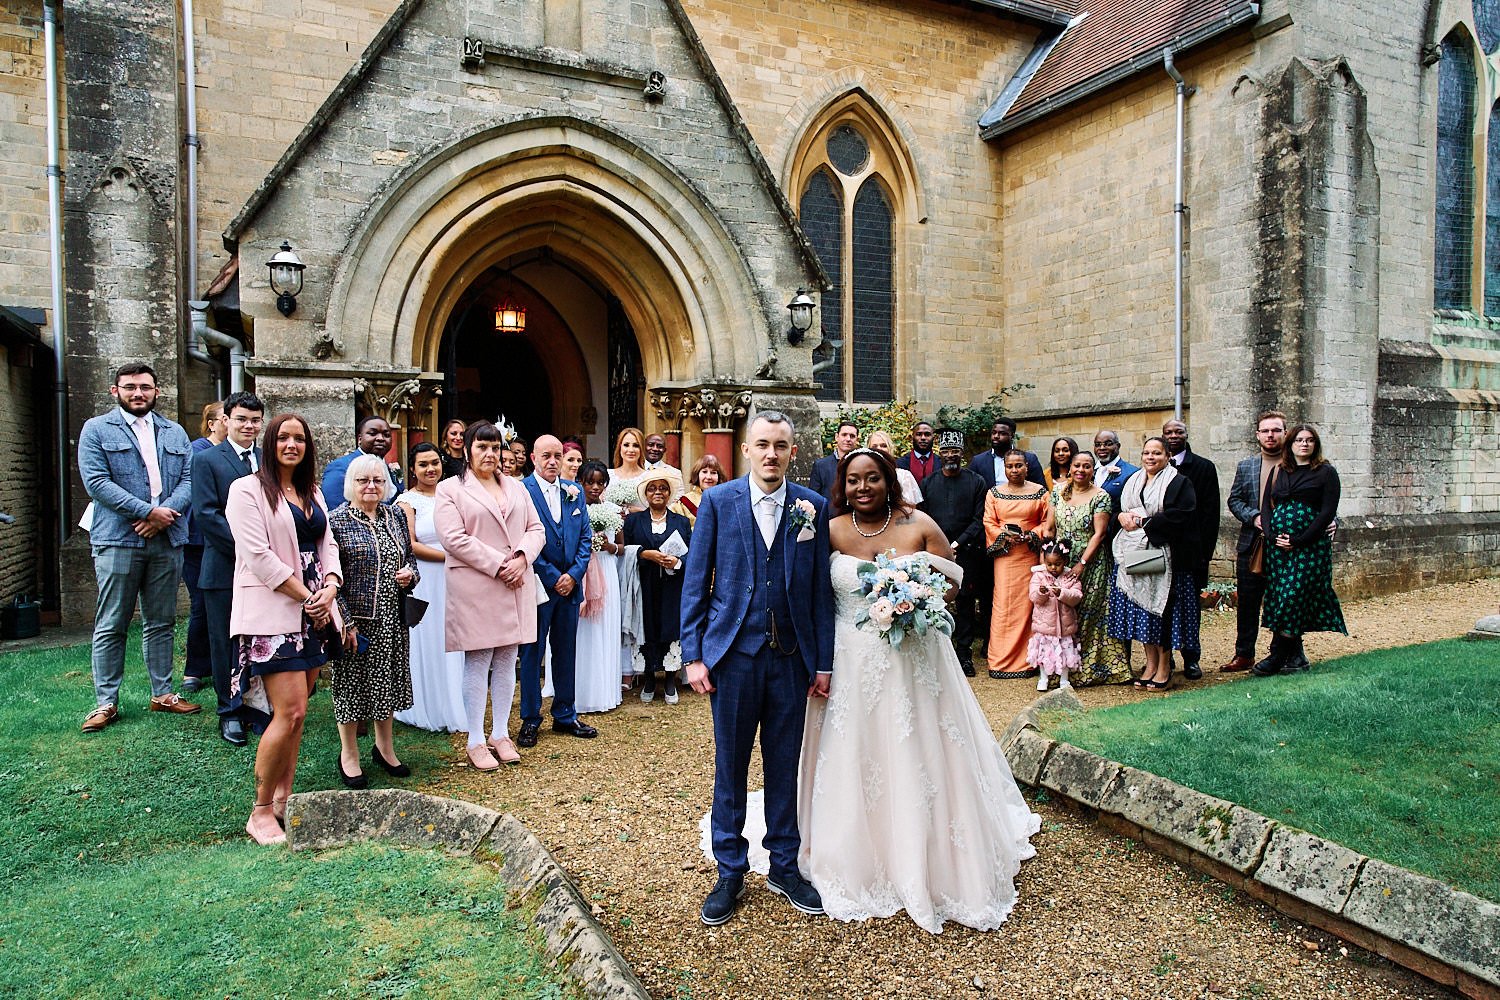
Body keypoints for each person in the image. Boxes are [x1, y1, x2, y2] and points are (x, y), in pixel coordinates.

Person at [796, 447, 1040, 932]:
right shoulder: (830, 530)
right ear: (841, 486)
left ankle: (928, 852)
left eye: (872, 479)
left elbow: (951, 587)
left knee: (919, 748)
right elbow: (811, 594)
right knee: (853, 754)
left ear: (891, 481)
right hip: (849, 659)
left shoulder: (921, 526)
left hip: (913, 659)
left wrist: (915, 599)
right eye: (852, 481)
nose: (862, 489)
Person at [682, 411, 833, 926]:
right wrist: (693, 654)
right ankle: (730, 870)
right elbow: (696, 580)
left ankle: (784, 866)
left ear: (794, 452)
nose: (772, 454)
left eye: (782, 446)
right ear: (747, 450)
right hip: (734, 658)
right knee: (731, 765)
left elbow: (818, 595)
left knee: (784, 765)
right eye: (763, 445)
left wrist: (825, 664)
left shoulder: (811, 507)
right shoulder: (719, 503)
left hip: (791, 661)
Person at [225, 413, 343, 845]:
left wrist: (330, 587)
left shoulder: (312, 491)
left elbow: (327, 544)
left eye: (300, 438)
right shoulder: (247, 490)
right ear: (269, 442)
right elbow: (257, 554)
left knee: (298, 716)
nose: (292, 444)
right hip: (275, 612)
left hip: (314, 613)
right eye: (283, 437)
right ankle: (258, 812)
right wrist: (307, 596)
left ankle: (283, 801)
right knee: (288, 711)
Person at [78, 363, 201, 733]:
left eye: (145, 387)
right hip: (118, 538)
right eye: (130, 387)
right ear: (115, 391)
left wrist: (165, 516)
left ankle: (163, 693)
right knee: (112, 622)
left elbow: (188, 479)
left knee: (161, 620)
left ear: (156, 391)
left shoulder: (174, 432)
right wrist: (148, 511)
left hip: (166, 539)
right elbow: (97, 482)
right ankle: (105, 702)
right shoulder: (96, 430)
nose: (138, 394)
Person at [433, 420, 546, 770]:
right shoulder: (450, 489)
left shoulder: (516, 487)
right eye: (482, 447)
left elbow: (535, 528)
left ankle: (500, 733)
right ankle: (475, 739)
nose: (489, 454)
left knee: (507, 656)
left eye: (495, 447)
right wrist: (500, 564)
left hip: (516, 581)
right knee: (479, 657)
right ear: (467, 450)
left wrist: (523, 558)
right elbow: (454, 538)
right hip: (478, 582)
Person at [327, 454, 419, 787]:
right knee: (351, 687)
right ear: (351, 484)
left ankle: (385, 748)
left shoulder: (394, 515)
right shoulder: (336, 520)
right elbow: (328, 577)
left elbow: (409, 556)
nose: (371, 486)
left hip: (392, 619)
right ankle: (348, 754)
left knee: (387, 684)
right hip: (357, 622)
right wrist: (346, 621)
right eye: (364, 480)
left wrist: (411, 574)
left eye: (378, 480)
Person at [191, 390, 266, 746]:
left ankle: (257, 708)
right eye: (241, 419)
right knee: (225, 641)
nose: (248, 426)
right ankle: (229, 711)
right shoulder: (208, 460)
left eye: (254, 421)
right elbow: (206, 514)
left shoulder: (267, 459)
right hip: (224, 567)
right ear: (226, 421)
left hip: (266, 571)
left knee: (260, 639)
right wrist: (251, 552)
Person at [518, 434, 596, 747]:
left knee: (566, 651)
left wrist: (574, 575)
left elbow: (585, 539)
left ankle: (565, 714)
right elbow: (522, 539)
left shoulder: (574, 491)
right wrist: (554, 577)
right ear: (533, 458)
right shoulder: (522, 490)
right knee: (532, 652)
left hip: (570, 587)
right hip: (539, 585)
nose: (553, 461)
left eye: (557, 456)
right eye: (546, 456)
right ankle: (530, 719)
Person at [1107, 437, 1200, 690]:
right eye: (1147, 453)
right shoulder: (1133, 480)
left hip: (1167, 556)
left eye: (1157, 453)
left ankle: (1164, 666)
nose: (1151, 457)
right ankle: (1149, 664)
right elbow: (1117, 511)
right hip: (1137, 552)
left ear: (1167, 456)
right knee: (1143, 609)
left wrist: (1145, 522)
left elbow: (1182, 516)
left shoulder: (1179, 482)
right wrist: (1122, 516)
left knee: (1162, 611)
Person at [1255, 424, 1347, 675]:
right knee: (1279, 596)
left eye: (1309, 440)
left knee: (1293, 597)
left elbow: (1327, 511)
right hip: (1279, 549)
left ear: (1315, 445)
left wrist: (1299, 539)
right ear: (1291, 444)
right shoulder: (1279, 471)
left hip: (1310, 546)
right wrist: (1273, 536)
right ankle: (1295, 657)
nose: (1304, 444)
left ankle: (1277, 655)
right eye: (1299, 440)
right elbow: (1266, 507)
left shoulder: (1326, 472)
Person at [394, 443, 467, 732]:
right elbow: (410, 543)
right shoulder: (406, 501)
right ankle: (426, 705)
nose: (430, 469)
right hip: (426, 575)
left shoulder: (453, 494)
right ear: (412, 468)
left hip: (456, 576)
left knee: (454, 636)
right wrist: (451, 557)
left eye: (435, 462)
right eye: (423, 464)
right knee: (428, 637)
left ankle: (455, 701)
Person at [1051, 451, 1131, 685]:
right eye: (1077, 465)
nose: (1080, 470)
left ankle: (1090, 667)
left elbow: (1099, 534)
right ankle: (1063, 665)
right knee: (1065, 612)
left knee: (1089, 612)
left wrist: (1082, 563)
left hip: (1091, 560)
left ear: (1092, 470)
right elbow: (1049, 527)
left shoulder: (1101, 496)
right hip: (1061, 559)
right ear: (1070, 467)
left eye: (1087, 466)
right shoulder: (1057, 492)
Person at [916, 428, 987, 676]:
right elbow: (923, 517)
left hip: (966, 553)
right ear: (940, 453)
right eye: (946, 451)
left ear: (961, 453)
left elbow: (979, 519)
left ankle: (964, 655)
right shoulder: (928, 483)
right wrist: (939, 546)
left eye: (955, 450)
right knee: (935, 602)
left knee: (966, 603)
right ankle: (937, 656)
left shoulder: (976, 482)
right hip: (935, 554)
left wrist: (955, 545)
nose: (950, 455)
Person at [1223, 411, 1287, 672]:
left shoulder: (1296, 465)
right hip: (1252, 544)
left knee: (1282, 601)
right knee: (1248, 603)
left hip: (1285, 546)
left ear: (1285, 433)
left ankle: (1280, 653)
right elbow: (1234, 500)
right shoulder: (1246, 465)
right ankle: (1244, 654)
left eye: (1276, 430)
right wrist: (1255, 517)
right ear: (1258, 434)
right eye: (1266, 431)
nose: (1270, 435)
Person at [982, 450, 1053, 679]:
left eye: (1019, 466)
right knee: (1003, 605)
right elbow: (989, 521)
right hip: (1005, 555)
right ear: (1005, 468)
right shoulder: (994, 493)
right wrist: (1004, 535)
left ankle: (1028, 659)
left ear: (1027, 467)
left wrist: (1031, 535)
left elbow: (1047, 522)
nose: (1015, 470)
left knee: (1028, 604)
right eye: (1010, 466)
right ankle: (1000, 660)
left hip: (1029, 555)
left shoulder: (1040, 492)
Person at [624, 469, 692, 704]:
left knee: (670, 627)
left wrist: (677, 562)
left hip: (672, 586)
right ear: (645, 493)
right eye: (652, 488)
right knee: (647, 627)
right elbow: (625, 552)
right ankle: (650, 677)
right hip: (644, 583)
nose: (658, 492)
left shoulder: (681, 522)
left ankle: (670, 679)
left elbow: (692, 555)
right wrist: (645, 554)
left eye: (663, 488)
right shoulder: (634, 521)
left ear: (669, 492)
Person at [1162, 418, 1220, 680]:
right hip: (1160, 550)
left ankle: (1192, 657)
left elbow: (1210, 514)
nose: (1173, 436)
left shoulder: (1204, 468)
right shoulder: (1154, 468)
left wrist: (1204, 554)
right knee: (1162, 606)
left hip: (1190, 551)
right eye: (1168, 432)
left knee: (1189, 608)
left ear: (1186, 434)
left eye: (1178, 432)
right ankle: (1166, 659)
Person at [182, 400, 227, 694]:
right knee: (200, 604)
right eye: (226, 417)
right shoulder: (199, 451)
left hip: (225, 538)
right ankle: (194, 669)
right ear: (211, 423)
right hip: (199, 540)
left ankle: (218, 663)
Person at [574, 460, 625, 715]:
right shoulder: (573, 509)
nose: (595, 487)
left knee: (604, 628)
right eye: (589, 482)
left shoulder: (614, 511)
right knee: (584, 632)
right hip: (582, 571)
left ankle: (605, 691)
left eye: (600, 483)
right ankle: (581, 693)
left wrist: (608, 546)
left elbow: (622, 547)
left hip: (606, 570)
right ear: (580, 482)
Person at [1030, 539, 1082, 691]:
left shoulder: (1070, 577)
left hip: (1065, 626)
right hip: (1045, 625)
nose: (1053, 568)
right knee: (1044, 653)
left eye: (1057, 564)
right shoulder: (1039, 576)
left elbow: (1077, 596)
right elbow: (1033, 596)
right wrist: (1042, 592)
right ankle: (1043, 678)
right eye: (1049, 564)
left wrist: (1063, 593)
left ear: (1065, 561)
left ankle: (1064, 680)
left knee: (1066, 653)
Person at [321, 415, 403, 507]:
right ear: (360, 439)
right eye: (372, 433)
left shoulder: (390, 469)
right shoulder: (341, 466)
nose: (380, 438)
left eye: (386, 435)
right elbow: (334, 506)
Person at [968, 416, 1045, 488]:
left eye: (1002, 433)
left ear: (1012, 436)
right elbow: (971, 490)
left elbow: (1041, 489)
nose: (996, 436)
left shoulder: (1029, 459)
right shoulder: (978, 461)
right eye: (994, 432)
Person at [865, 430, 923, 504]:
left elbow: (911, 507)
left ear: (890, 448)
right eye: (874, 446)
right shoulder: (863, 476)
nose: (879, 449)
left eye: (884, 445)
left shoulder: (904, 476)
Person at [808, 420, 859, 498]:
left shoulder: (862, 465)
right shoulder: (821, 466)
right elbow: (813, 498)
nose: (848, 439)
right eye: (844, 435)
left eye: (852, 436)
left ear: (856, 440)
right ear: (836, 437)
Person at [607, 427, 649, 513]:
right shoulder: (608, 475)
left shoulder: (648, 477)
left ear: (641, 449)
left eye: (636, 445)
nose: (631, 450)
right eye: (626, 445)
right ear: (620, 447)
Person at [673, 453, 723, 522]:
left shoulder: (727, 500)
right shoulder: (683, 503)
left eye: (713, 473)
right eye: (704, 472)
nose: (708, 477)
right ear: (697, 475)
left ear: (719, 476)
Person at [1092, 429, 1139, 501]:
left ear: (1118, 446)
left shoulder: (1133, 473)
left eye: (1108, 444)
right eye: (1097, 445)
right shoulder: (1088, 471)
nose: (1102, 448)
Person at [896, 420, 938, 484]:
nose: (923, 438)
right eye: (919, 434)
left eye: (927, 434)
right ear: (912, 438)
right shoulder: (900, 464)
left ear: (934, 438)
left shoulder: (941, 463)